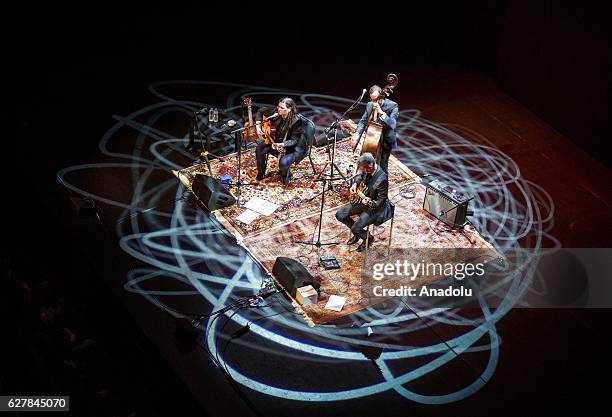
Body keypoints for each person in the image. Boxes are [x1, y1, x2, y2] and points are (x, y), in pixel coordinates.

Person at [335, 152, 393, 252]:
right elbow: (359, 175)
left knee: (355, 228)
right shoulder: (367, 169)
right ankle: (357, 233)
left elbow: (380, 202)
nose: (362, 171)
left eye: (363, 169)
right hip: (362, 202)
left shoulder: (382, 179)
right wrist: (355, 184)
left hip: (374, 209)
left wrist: (369, 202)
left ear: (370, 167)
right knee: (340, 215)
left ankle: (368, 238)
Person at [254, 98, 310, 185]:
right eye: (278, 106)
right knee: (260, 148)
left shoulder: (297, 121)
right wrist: (258, 127)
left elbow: (294, 140)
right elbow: (261, 111)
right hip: (276, 142)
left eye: (282, 108)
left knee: (283, 163)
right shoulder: (276, 113)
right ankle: (261, 172)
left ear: (289, 109)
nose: (278, 109)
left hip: (292, 148)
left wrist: (282, 144)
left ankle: (284, 175)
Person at [351, 85, 399, 173]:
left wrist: (381, 112)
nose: (374, 102)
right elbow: (363, 121)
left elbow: (393, 124)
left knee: (383, 165)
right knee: (364, 160)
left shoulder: (393, 106)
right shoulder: (369, 105)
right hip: (372, 137)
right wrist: (356, 133)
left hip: (385, 139)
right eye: (372, 99)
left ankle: (382, 184)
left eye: (376, 99)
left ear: (382, 96)